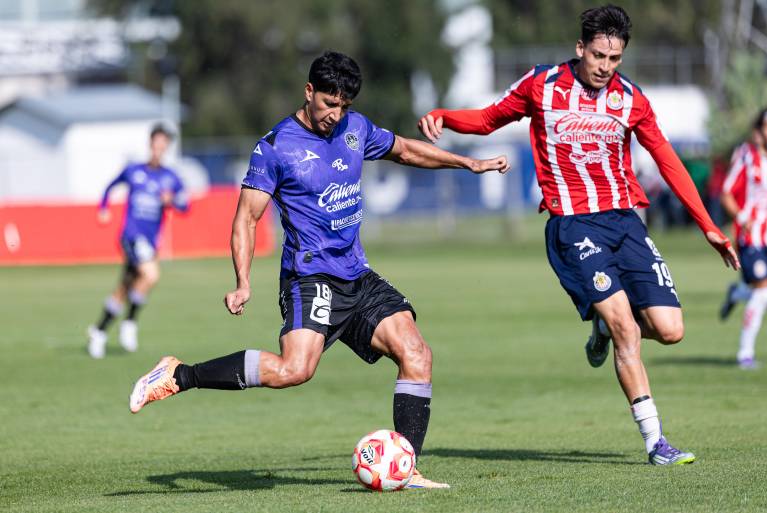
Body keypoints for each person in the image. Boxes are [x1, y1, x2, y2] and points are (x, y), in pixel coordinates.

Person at [127, 51, 509, 489]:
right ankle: (179, 375)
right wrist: (243, 281)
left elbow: (404, 150)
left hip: (357, 275)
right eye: (329, 103)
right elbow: (246, 219)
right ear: (309, 92)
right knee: (294, 371)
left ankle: (405, 466)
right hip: (310, 278)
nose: (336, 114)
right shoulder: (275, 147)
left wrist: (468, 163)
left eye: (343, 105)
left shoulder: (355, 128)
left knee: (417, 354)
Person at [418, 4, 739, 465]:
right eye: (598, 57)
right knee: (628, 328)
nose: (606, 68)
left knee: (670, 330)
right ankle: (656, 442)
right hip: (573, 226)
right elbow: (489, 119)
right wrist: (444, 115)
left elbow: (667, 160)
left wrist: (708, 225)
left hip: (625, 222)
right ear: (580, 48)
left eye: (614, 59)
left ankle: (602, 327)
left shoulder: (630, 99)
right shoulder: (541, 85)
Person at [87, 125, 188, 359]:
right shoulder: (133, 171)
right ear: (150, 144)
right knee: (151, 275)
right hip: (131, 236)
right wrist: (103, 209)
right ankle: (129, 323)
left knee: (125, 286)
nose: (158, 150)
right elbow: (110, 186)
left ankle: (99, 332)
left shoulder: (170, 177)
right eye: (155, 144)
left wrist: (171, 201)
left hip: (151, 241)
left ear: (167, 148)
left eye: (163, 146)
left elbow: (186, 206)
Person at [720, 108, 767, 369]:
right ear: (760, 130)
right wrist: (741, 219)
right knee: (762, 291)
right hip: (752, 237)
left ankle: (738, 293)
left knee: (763, 293)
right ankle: (745, 354)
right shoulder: (747, 157)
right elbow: (726, 192)